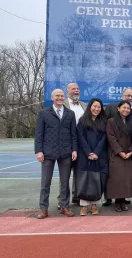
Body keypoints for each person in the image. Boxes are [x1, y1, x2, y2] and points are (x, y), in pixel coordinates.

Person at [34, 89, 77, 219]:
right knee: (45, 182)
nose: (59, 98)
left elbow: (73, 134)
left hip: (65, 153)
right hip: (48, 153)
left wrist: (74, 149)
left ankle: (64, 206)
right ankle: (43, 208)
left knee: (65, 182)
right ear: (52, 98)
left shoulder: (70, 114)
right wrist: (39, 151)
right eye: (57, 96)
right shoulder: (44, 113)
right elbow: (39, 134)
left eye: (61, 96)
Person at [104, 88, 132, 206]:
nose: (126, 110)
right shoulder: (111, 121)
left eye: (128, 108)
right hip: (116, 154)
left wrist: (131, 151)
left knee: (126, 178)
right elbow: (111, 138)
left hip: (129, 153)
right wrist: (120, 152)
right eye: (123, 108)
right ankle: (117, 202)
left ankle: (123, 200)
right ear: (118, 109)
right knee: (116, 178)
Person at [75, 98, 108, 216]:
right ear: (90, 107)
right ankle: (84, 206)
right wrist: (89, 152)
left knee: (97, 180)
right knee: (84, 180)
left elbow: (105, 139)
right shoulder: (82, 121)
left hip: (99, 156)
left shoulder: (104, 122)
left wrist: (96, 153)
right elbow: (80, 138)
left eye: (99, 107)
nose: (96, 109)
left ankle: (94, 205)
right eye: (94, 106)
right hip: (85, 156)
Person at [57, 82, 86, 208]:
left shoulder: (85, 105)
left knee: (79, 173)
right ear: (67, 91)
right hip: (66, 145)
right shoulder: (61, 105)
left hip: (82, 145)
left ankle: (77, 196)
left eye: (78, 88)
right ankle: (62, 200)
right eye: (73, 88)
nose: (76, 90)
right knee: (65, 175)